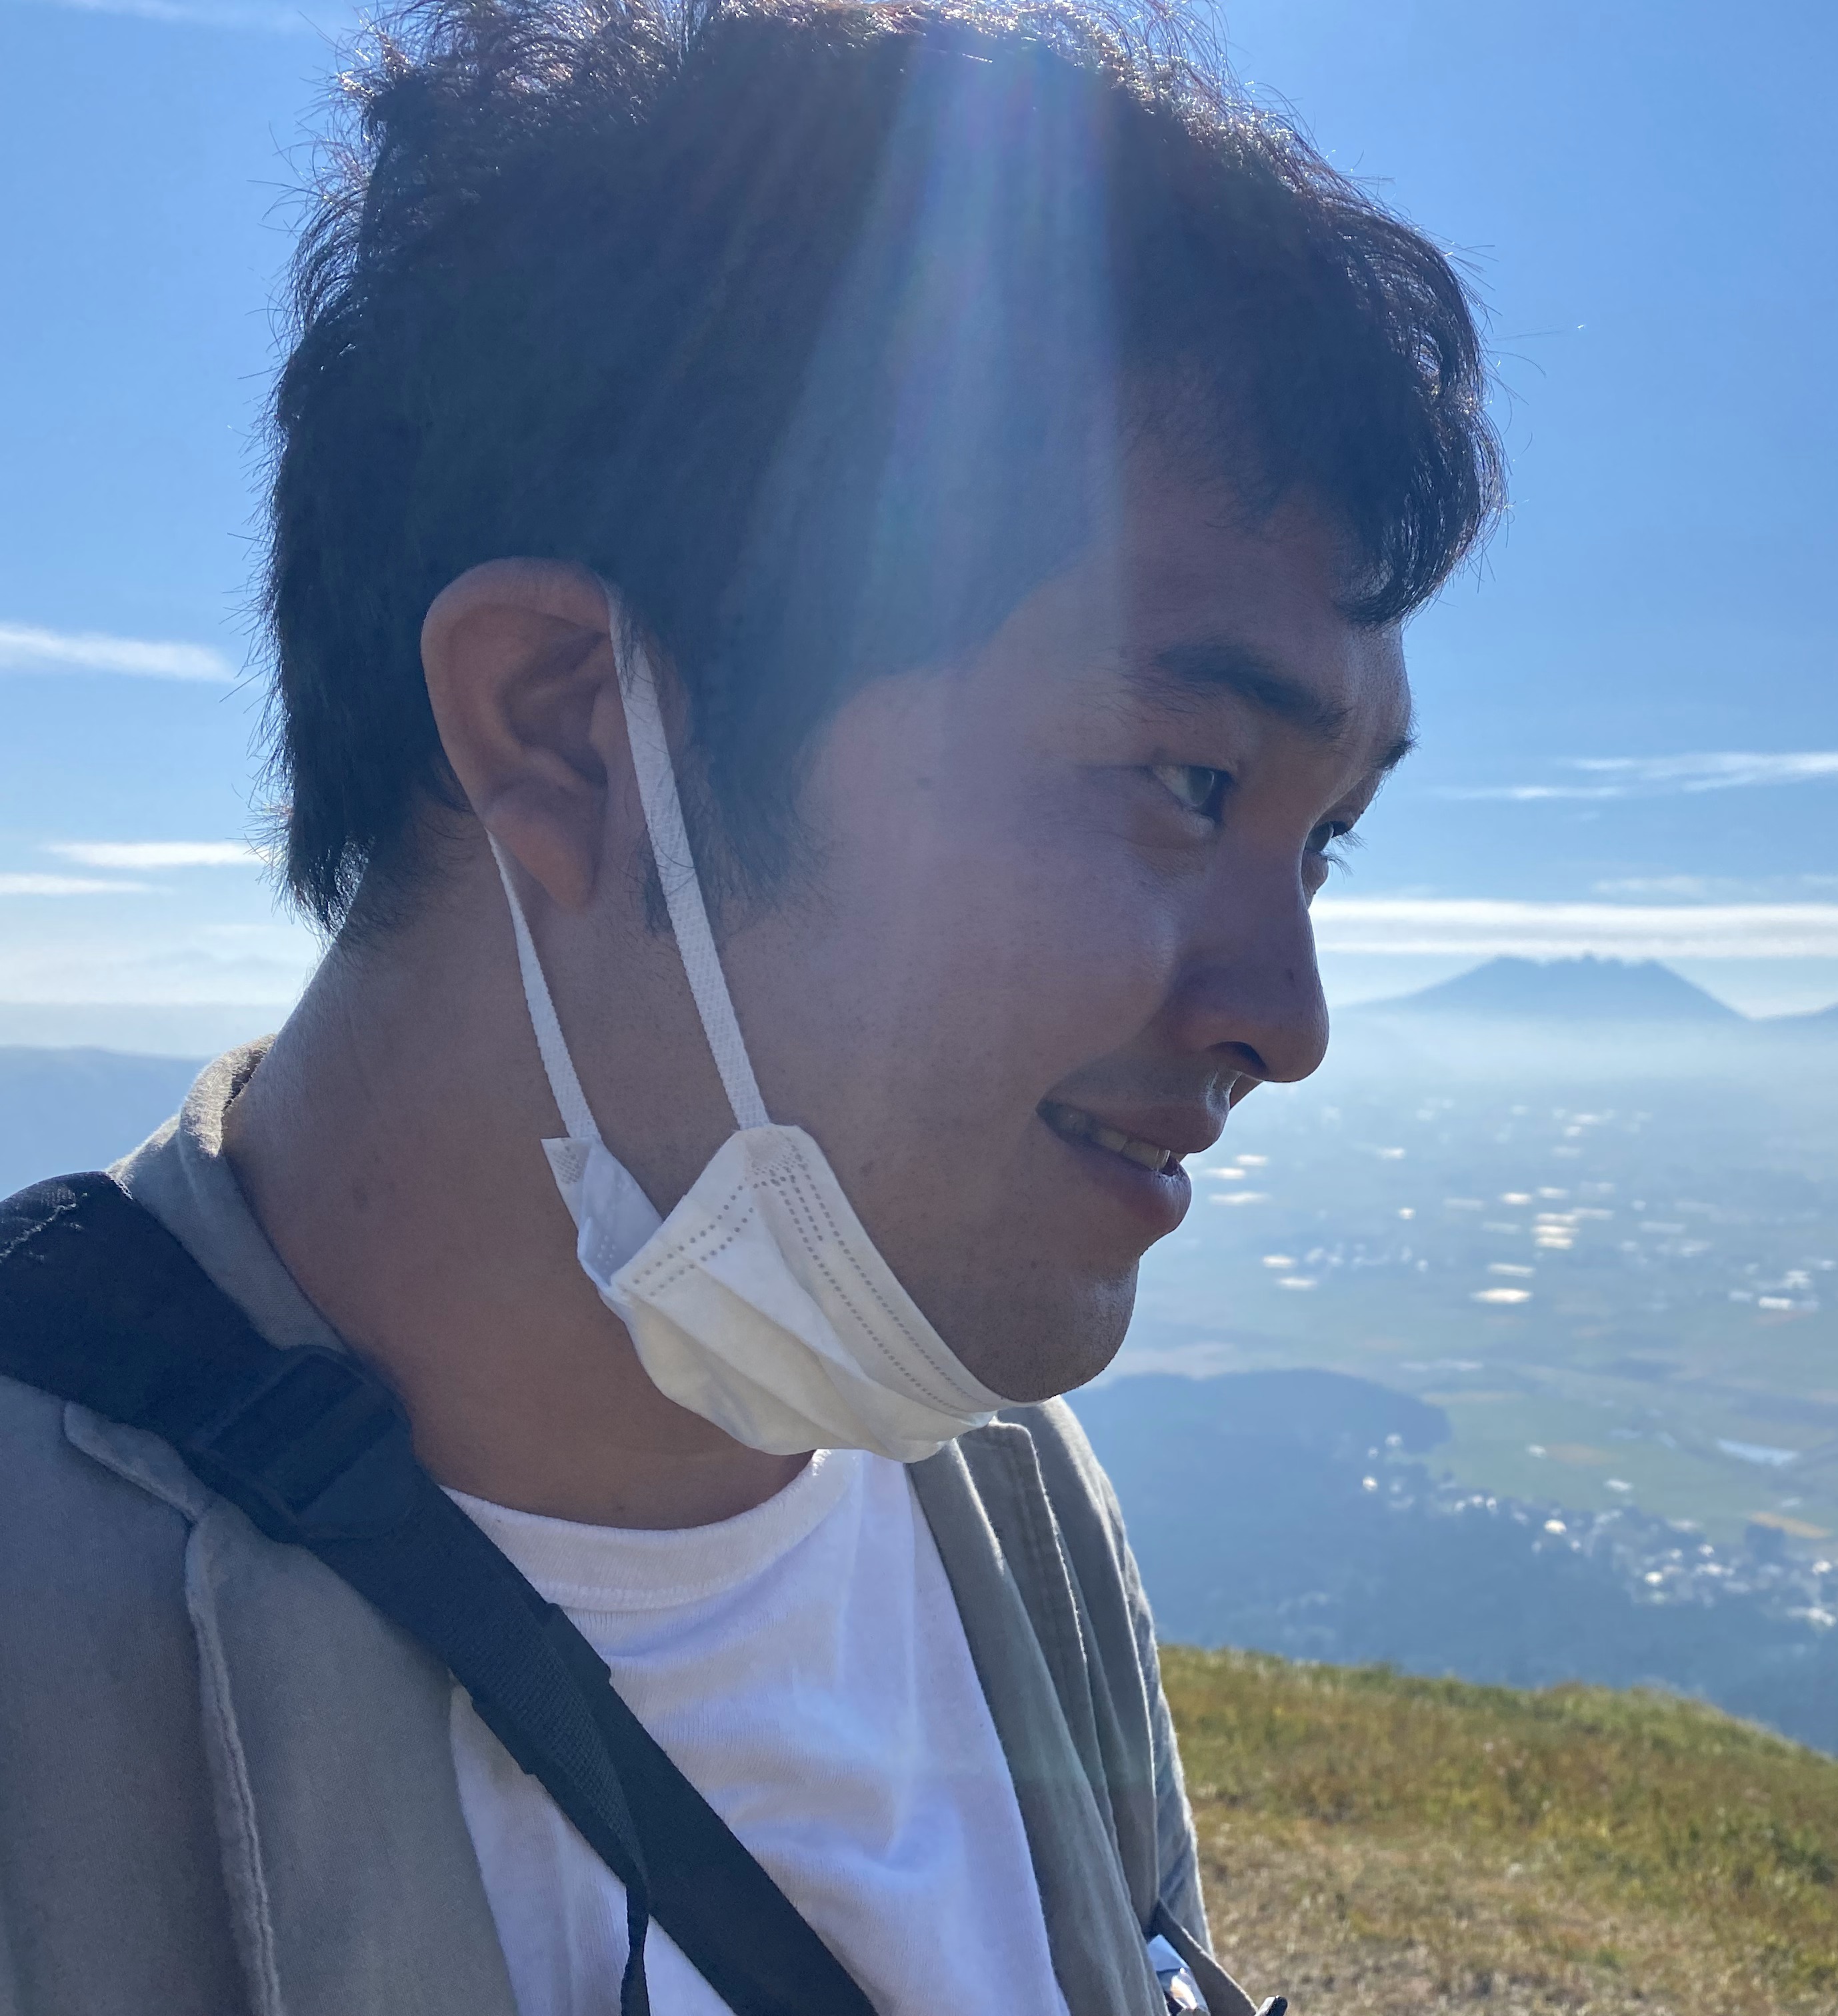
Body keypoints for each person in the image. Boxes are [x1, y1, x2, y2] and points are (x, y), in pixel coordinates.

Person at [0, 1, 1499, 2009]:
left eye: (1323, 846)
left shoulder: (1010, 1509)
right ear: (569, 732)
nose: (1288, 1020)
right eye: (1187, 779)